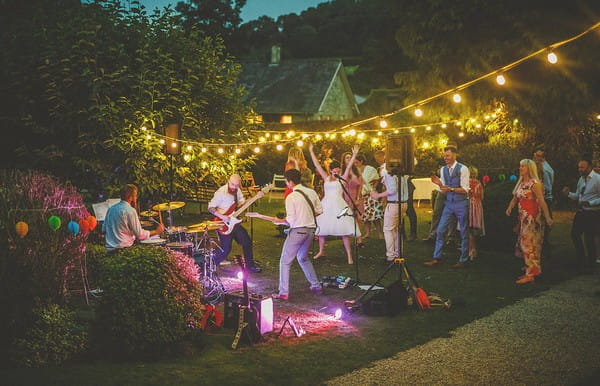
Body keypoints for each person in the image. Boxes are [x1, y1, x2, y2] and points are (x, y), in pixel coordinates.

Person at [248, 169, 323, 301]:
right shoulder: (311, 192)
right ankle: (316, 285)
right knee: (303, 258)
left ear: (290, 181)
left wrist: (277, 221)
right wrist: (305, 217)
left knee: (285, 261)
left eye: (286, 182)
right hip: (311, 230)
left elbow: (291, 220)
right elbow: (319, 210)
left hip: (298, 231)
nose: (286, 184)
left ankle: (283, 293)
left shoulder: (291, 197)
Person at [308, 143, 361, 264]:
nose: (336, 171)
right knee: (322, 229)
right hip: (326, 205)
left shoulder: (342, 178)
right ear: (331, 170)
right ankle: (321, 251)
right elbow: (316, 164)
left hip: (339, 205)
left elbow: (348, 168)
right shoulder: (326, 177)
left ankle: (349, 255)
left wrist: (354, 155)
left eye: (338, 170)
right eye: (334, 170)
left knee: (344, 231)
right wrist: (311, 151)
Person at [505, 159, 552, 284]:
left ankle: (531, 273)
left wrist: (547, 217)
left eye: (523, 167)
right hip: (523, 218)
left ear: (529, 169)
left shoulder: (535, 183)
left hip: (532, 218)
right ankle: (530, 269)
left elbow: (542, 201)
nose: (520, 169)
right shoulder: (521, 183)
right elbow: (515, 198)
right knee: (524, 243)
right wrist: (510, 208)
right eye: (520, 166)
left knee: (529, 244)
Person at [424, 146, 471, 269]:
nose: (445, 158)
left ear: (454, 155)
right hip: (449, 203)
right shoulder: (443, 169)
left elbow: (465, 190)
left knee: (464, 231)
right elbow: (443, 189)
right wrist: (439, 184)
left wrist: (450, 189)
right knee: (440, 230)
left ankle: (463, 259)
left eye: (448, 156)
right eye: (444, 156)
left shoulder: (463, 169)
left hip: (461, 203)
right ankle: (437, 257)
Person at [208, 174, 261, 272]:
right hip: (222, 223)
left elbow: (241, 203)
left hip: (234, 223)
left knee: (247, 241)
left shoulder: (237, 191)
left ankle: (250, 266)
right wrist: (223, 217)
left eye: (236, 185)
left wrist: (254, 198)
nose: (234, 187)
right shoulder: (221, 192)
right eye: (232, 184)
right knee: (225, 249)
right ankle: (209, 266)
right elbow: (210, 208)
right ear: (228, 181)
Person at [561, 159, 600, 273]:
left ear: (589, 167)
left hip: (592, 213)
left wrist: (591, 203)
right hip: (581, 212)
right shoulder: (581, 179)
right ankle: (581, 259)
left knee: (589, 238)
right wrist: (568, 194)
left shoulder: (597, 179)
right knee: (575, 235)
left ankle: (591, 264)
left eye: (582, 167)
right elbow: (578, 196)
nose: (580, 170)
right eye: (579, 167)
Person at [103, 184, 165, 252]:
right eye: (135, 196)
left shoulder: (111, 209)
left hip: (109, 250)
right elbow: (140, 235)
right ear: (130, 197)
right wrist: (157, 231)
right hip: (124, 250)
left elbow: (104, 229)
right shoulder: (130, 210)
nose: (136, 198)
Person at [370, 164, 408, 262]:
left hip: (394, 203)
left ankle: (390, 255)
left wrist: (378, 195)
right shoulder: (402, 172)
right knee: (395, 229)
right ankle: (398, 253)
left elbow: (392, 190)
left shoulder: (388, 173)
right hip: (403, 203)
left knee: (388, 230)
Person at [355, 154, 383, 239]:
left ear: (361, 161)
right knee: (365, 216)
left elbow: (377, 179)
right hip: (362, 195)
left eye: (356, 162)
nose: (355, 164)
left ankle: (380, 233)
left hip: (371, 194)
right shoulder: (355, 171)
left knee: (375, 216)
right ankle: (368, 233)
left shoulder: (370, 169)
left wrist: (374, 186)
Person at [341, 150, 365, 247]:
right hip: (345, 197)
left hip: (355, 196)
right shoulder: (342, 172)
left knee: (358, 219)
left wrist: (358, 197)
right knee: (347, 218)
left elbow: (360, 185)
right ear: (343, 160)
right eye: (347, 157)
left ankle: (359, 239)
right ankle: (347, 238)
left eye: (350, 157)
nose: (349, 159)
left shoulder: (356, 171)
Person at [533, 147, 554, 254]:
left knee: (543, 223)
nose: (535, 157)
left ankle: (544, 247)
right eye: (535, 154)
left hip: (545, 198)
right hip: (543, 197)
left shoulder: (545, 169)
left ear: (543, 157)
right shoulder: (542, 167)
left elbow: (548, 187)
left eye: (538, 155)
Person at [468, 166, 485, 260]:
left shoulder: (466, 182)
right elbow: (482, 196)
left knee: (468, 228)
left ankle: (470, 249)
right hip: (477, 206)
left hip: (469, 206)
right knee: (474, 229)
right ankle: (473, 249)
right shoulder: (479, 183)